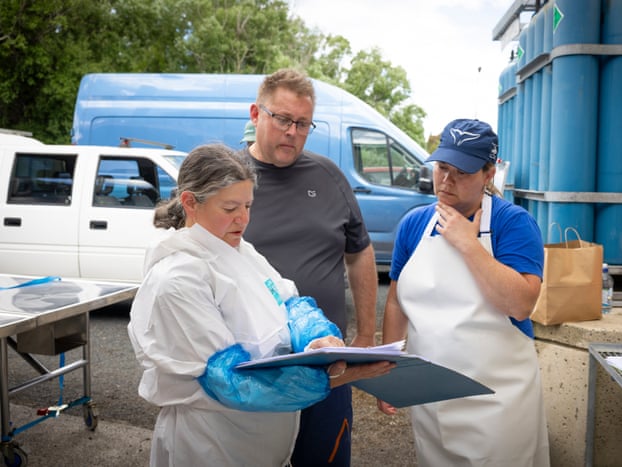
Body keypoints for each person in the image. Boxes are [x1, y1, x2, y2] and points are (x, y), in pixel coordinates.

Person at [127, 144, 392, 466]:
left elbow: (291, 305)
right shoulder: (178, 280)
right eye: (230, 208)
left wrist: (316, 338)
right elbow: (229, 383)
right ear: (190, 203)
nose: (243, 219)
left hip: (260, 445)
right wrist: (335, 378)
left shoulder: (239, 250)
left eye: (249, 206)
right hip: (213, 447)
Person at [378, 119, 550, 466]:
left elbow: (520, 304)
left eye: (462, 171)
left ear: (489, 174)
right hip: (432, 396)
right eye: (442, 167)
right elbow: (396, 301)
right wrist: (389, 368)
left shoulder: (512, 224)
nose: (446, 180)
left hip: (496, 402)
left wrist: (468, 245)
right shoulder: (414, 224)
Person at [241, 68, 378, 466]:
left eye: (303, 123)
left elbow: (360, 252)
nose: (292, 132)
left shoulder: (329, 177)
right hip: (255, 368)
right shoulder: (230, 180)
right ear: (255, 114)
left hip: (327, 365)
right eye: (282, 119)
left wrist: (366, 336)